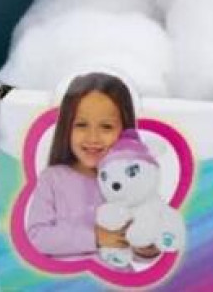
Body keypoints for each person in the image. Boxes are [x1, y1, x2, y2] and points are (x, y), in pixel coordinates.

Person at [27, 73, 136, 258]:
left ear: (125, 130)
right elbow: (38, 236)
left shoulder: (132, 182)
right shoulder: (53, 178)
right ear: (66, 127)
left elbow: (139, 236)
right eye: (81, 124)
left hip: (116, 274)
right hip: (64, 276)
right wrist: (94, 237)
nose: (93, 138)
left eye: (106, 127)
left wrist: (147, 247)